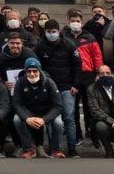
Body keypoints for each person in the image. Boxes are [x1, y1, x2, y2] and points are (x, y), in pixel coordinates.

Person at [34, 19, 82, 157]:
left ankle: (72, 148)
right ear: (45, 31)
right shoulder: (40, 46)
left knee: (69, 118)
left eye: (53, 31)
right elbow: (38, 67)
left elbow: (77, 65)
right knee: (52, 119)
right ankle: (54, 147)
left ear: (58, 31)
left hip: (67, 86)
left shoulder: (69, 44)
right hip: (49, 88)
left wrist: (75, 84)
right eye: (48, 32)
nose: (51, 34)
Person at [11, 58, 65, 158]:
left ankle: (55, 149)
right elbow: (16, 103)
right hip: (29, 112)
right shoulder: (20, 83)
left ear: (39, 71)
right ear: (25, 71)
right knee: (16, 119)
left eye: (35, 71)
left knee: (58, 123)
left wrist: (44, 119)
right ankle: (29, 149)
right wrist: (26, 118)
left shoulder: (49, 82)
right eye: (29, 71)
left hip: (47, 112)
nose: (32, 74)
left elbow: (58, 105)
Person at [65, 9, 103, 146]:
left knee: (90, 107)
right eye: (72, 21)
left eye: (77, 21)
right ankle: (77, 135)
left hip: (88, 75)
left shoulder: (89, 37)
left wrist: (98, 73)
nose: (75, 23)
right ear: (68, 22)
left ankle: (93, 134)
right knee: (73, 108)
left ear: (81, 23)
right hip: (71, 76)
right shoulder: (64, 37)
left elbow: (97, 56)